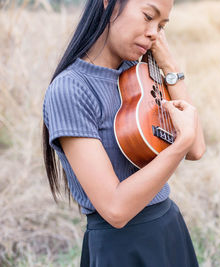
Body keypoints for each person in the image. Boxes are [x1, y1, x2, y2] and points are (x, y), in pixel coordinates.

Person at [41, 0, 206, 265]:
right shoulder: (71, 90)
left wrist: (171, 68)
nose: (154, 32)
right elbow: (115, 210)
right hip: (121, 249)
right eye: (148, 16)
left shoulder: (139, 74)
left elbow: (196, 148)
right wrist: (179, 144)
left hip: (168, 227)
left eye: (161, 26)